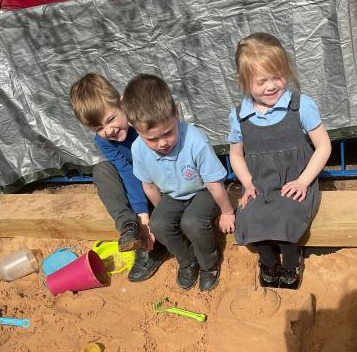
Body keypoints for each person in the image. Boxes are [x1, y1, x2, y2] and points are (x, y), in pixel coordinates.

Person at [229, 32, 332, 289]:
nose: (271, 86)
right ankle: (268, 262)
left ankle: (290, 263)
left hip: (294, 182)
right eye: (261, 81)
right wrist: (247, 183)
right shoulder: (240, 116)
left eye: (277, 76)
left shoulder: (300, 105)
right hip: (260, 183)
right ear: (244, 82)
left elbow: (323, 146)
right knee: (249, 217)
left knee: (286, 215)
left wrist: (303, 181)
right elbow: (236, 155)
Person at [122, 74, 236, 292]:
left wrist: (227, 212)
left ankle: (209, 265)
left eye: (167, 133)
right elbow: (149, 186)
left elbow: (214, 183)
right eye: (152, 139)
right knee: (159, 224)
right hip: (173, 196)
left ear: (176, 112)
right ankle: (187, 260)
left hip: (203, 191)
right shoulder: (138, 149)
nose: (162, 143)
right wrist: (164, 212)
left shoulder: (195, 140)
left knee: (192, 222)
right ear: (134, 126)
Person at [69, 73, 169, 282]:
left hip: (162, 180)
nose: (109, 130)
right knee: (102, 171)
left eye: (110, 119)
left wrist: (148, 210)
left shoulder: (143, 120)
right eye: (99, 128)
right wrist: (141, 214)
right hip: (138, 184)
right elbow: (126, 171)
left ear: (122, 103)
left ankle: (159, 238)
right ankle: (130, 229)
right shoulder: (103, 141)